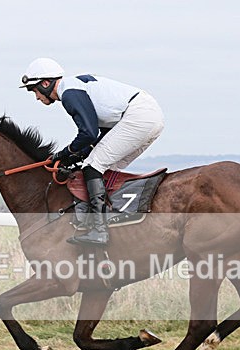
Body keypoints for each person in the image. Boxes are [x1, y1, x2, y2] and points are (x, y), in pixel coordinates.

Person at [20, 57, 164, 246]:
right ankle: (111, 220)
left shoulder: (69, 94)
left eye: (35, 91)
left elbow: (88, 133)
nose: (37, 97)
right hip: (148, 116)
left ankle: (99, 230)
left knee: (93, 165)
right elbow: (97, 136)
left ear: (46, 84)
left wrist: (63, 155)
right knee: (107, 166)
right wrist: (75, 155)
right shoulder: (74, 87)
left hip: (139, 115)